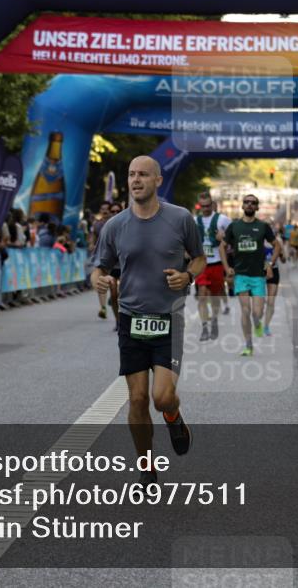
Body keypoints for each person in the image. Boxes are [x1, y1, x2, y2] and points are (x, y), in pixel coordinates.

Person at [92, 156, 203, 484]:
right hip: (130, 319)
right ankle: (146, 465)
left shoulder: (180, 219)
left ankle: (172, 414)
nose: (136, 179)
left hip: (168, 319)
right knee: (138, 399)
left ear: (157, 181)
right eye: (131, 174)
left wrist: (187, 277)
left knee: (161, 397)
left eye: (143, 174)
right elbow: (100, 266)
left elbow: (198, 259)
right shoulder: (115, 225)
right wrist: (98, 279)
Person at [220, 194, 281, 356]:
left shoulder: (263, 226)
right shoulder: (234, 226)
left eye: (253, 203)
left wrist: (270, 264)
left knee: (257, 312)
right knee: (245, 311)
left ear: (257, 207)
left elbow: (277, 245)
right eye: (246, 202)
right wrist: (227, 268)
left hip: (258, 276)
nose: (249, 205)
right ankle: (248, 345)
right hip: (241, 275)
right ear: (242, 206)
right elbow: (222, 246)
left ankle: (258, 323)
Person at [194, 192, 231, 341]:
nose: (205, 209)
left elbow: (233, 237)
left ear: (212, 204)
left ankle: (214, 320)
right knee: (202, 295)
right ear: (199, 205)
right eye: (202, 206)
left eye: (208, 205)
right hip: (201, 264)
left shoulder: (222, 219)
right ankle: (204, 328)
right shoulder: (194, 220)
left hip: (216, 264)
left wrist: (224, 238)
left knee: (215, 297)